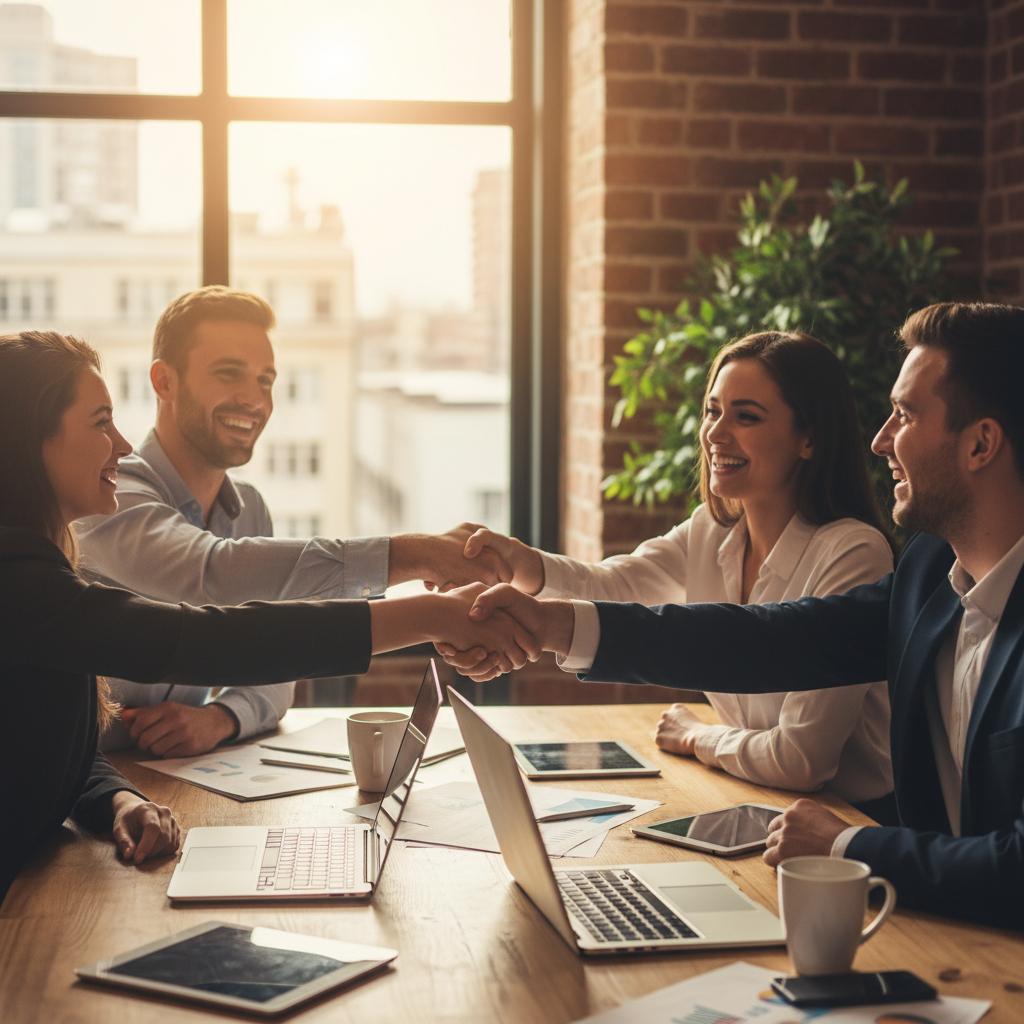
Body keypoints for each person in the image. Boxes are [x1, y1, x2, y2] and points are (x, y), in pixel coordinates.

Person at [457, 302, 1024, 931]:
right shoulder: (930, 574)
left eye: (906, 415)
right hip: (925, 912)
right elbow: (772, 639)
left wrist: (843, 844)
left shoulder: (863, 552)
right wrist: (551, 626)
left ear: (980, 443)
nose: (881, 439)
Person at [0, 329, 534, 901]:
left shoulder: (39, 570)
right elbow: (206, 636)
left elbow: (51, 742)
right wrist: (426, 615)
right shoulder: (18, 578)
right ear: (30, 439)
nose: (122, 444)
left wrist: (118, 799)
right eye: (101, 422)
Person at [453, 332, 898, 820]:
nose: (715, 433)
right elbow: (617, 586)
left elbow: (800, 761)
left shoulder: (854, 552)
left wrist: (697, 735)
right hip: (754, 801)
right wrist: (524, 565)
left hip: (847, 825)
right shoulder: (712, 529)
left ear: (809, 438)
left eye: (745, 416)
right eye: (712, 411)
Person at [76, 286, 512, 758]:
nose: (254, 400)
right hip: (82, 793)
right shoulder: (112, 498)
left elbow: (276, 666)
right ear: (164, 382)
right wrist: (416, 554)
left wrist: (221, 718)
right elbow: (210, 576)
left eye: (265, 381)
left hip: (168, 786)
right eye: (229, 374)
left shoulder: (249, 510)